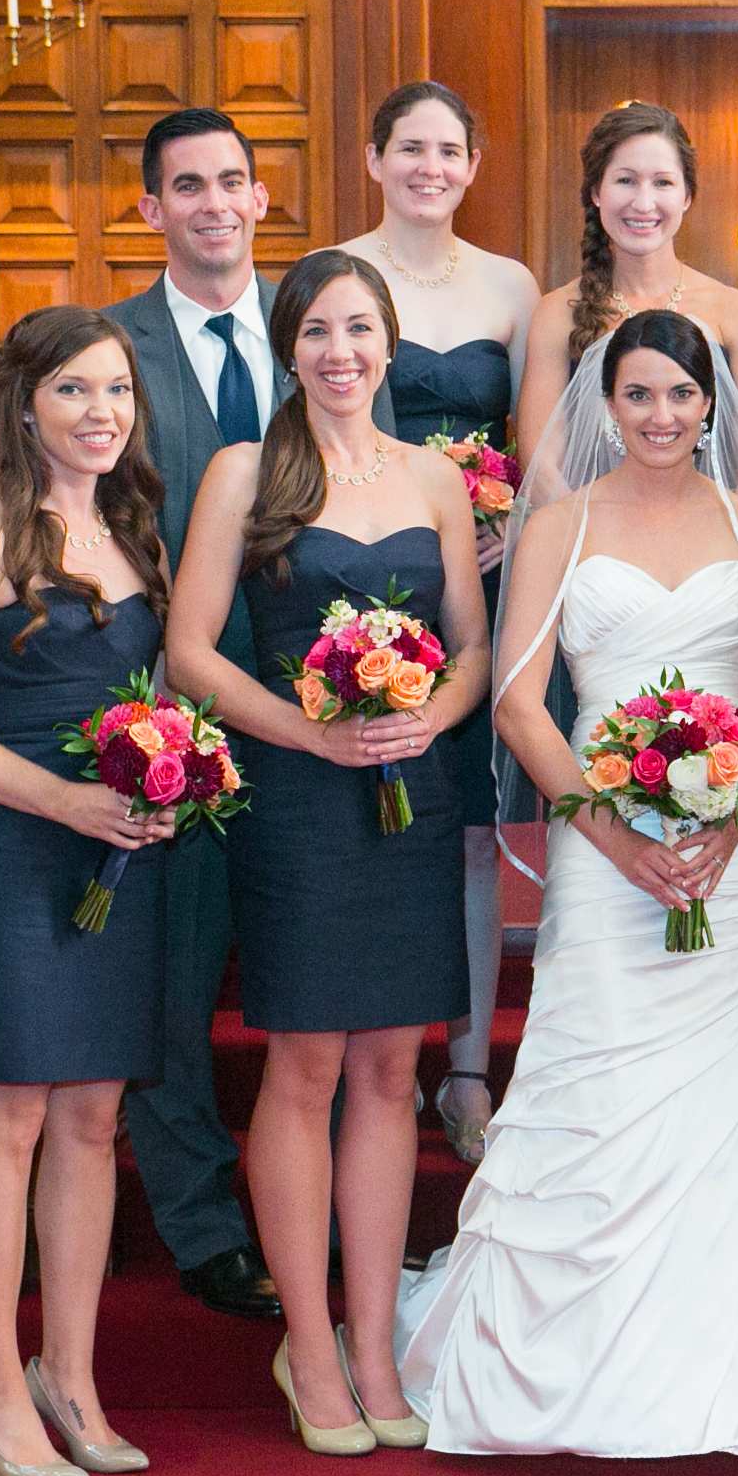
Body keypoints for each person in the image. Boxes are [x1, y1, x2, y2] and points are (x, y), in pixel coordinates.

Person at [396, 307, 738, 1458]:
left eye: (682, 394)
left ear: (712, 405)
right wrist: (617, 837)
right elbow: (521, 703)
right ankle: (572, 1374)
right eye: (639, 394)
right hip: (602, 854)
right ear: (606, 407)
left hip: (732, 862)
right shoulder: (559, 525)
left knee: (732, 1110)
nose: (662, 415)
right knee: (598, 1080)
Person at [166, 250, 491, 1456]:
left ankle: (374, 1343)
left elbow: (472, 647)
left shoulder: (434, 478)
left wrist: (431, 717)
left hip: (412, 791)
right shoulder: (245, 473)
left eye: (359, 329)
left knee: (394, 1071)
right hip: (298, 798)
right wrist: (309, 732)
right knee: (306, 1066)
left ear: (389, 343)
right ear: (287, 349)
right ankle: (307, 1346)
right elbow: (192, 651)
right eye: (315, 332)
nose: (339, 352)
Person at [0, 305, 175, 1476]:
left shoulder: (134, 530)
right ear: (23, 405)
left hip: (114, 858)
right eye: (74, 391)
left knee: (94, 1119)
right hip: (12, 851)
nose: (102, 412)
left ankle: (72, 1377)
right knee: (7, 1119)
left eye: (118, 391)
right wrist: (61, 800)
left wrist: (172, 773)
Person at [330, 80, 542, 1168]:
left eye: (449, 150)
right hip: (356, 566)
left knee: (465, 831)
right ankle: (375, 1049)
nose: (429, 167)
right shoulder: (336, 273)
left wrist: (507, 519)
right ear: (375, 158)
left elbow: (540, 439)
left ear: (472, 165)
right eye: (409, 147)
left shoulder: (510, 284)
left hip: (479, 581)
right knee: (365, 816)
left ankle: (464, 1068)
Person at [100, 106, 288, 1321]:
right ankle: (204, 1224)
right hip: (168, 708)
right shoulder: (108, 349)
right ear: (151, 209)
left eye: (231, 181)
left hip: (318, 706)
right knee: (172, 977)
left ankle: (316, 1211)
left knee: (312, 978)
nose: (214, 203)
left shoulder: (322, 327)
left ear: (261, 198)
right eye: (188, 186)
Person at [515, 102, 738, 485]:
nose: (643, 203)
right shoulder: (557, 313)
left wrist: (728, 525)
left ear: (687, 196)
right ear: (596, 192)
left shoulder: (734, 311)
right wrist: (581, 525)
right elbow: (542, 466)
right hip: (586, 521)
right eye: (625, 180)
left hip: (710, 520)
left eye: (662, 183)